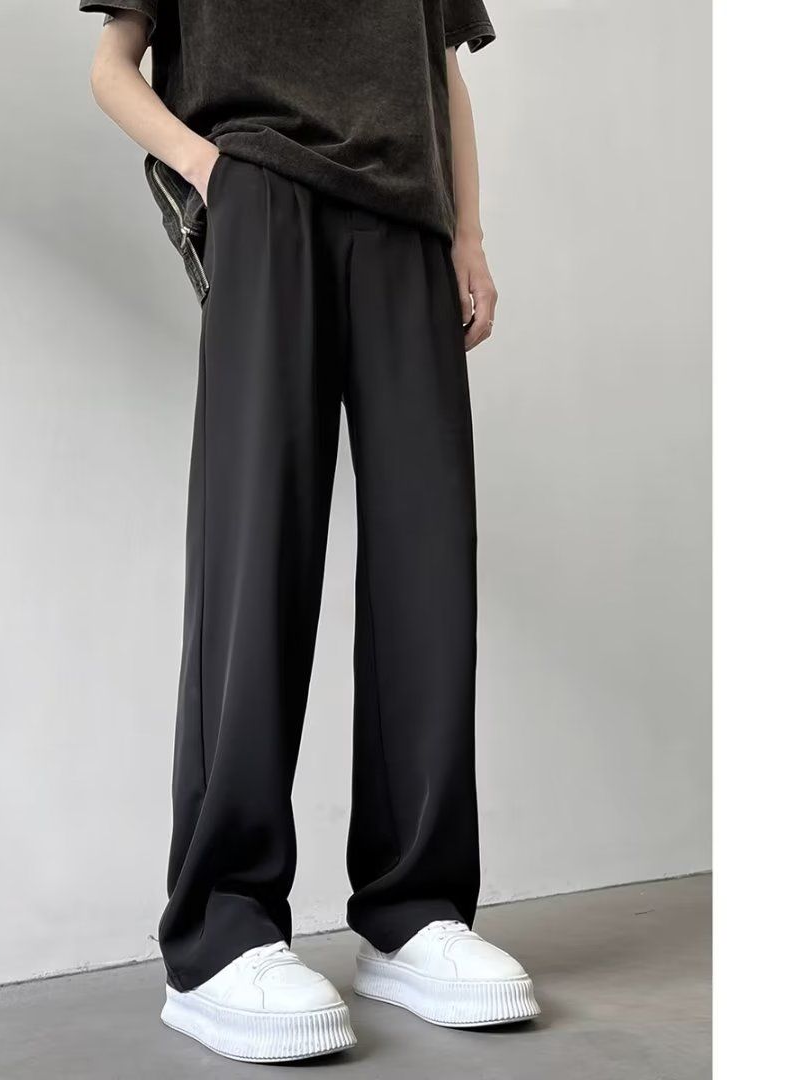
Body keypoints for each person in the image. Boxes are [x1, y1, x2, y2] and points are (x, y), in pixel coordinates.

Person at [83, 1, 539, 1062]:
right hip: (263, 189)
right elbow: (112, 65)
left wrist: (468, 233)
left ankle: (414, 910)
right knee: (257, 552)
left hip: (409, 219)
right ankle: (220, 930)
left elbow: (440, 72)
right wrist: (212, 173)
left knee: (430, 561)